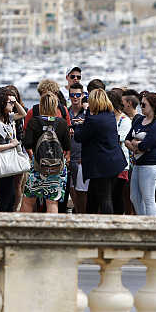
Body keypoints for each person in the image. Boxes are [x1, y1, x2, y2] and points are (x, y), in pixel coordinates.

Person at [74, 89, 126, 214]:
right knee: (94, 197)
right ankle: (92, 223)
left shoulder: (94, 120)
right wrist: (87, 118)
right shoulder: (109, 115)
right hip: (113, 162)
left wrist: (78, 126)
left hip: (101, 166)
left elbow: (79, 137)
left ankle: (108, 228)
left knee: (104, 199)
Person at [21, 92, 71, 214]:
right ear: (56, 106)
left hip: (38, 166)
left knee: (28, 201)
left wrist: (34, 157)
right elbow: (67, 146)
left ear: (41, 106)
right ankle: (51, 230)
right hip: (56, 167)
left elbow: (27, 143)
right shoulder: (62, 123)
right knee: (52, 202)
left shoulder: (34, 122)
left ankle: (22, 230)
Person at [125, 92, 156, 216]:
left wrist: (136, 144)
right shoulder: (139, 119)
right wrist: (136, 146)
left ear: (153, 106)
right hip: (138, 163)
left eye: (144, 105)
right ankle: (142, 220)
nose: (141, 107)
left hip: (151, 164)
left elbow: (146, 145)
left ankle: (152, 224)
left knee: (148, 198)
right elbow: (127, 139)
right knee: (134, 197)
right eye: (141, 104)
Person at [0, 90, 21, 212]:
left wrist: (15, 101)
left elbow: (23, 114)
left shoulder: (8, 119)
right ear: (2, 105)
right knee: (6, 196)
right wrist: (11, 145)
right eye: (9, 103)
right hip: (4, 162)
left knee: (10, 196)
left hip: (8, 162)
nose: (12, 104)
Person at [108, 89, 132, 215]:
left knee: (117, 195)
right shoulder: (109, 118)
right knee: (110, 196)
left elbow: (118, 140)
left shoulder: (125, 121)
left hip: (121, 164)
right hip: (109, 163)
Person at [67, 82, 88, 214]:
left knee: (83, 192)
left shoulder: (87, 113)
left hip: (82, 157)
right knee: (71, 189)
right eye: (72, 95)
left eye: (78, 95)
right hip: (69, 156)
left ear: (82, 95)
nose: (75, 98)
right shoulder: (66, 112)